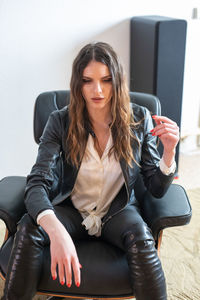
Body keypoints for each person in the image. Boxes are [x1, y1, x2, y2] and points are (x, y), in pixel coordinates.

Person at [1, 41, 179, 300]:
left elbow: (156, 187)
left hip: (117, 211)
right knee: (30, 226)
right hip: (70, 209)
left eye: (106, 80)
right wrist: (56, 229)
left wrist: (170, 152)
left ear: (117, 81)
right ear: (78, 83)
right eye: (88, 80)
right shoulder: (60, 121)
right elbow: (38, 182)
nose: (97, 90)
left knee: (141, 236)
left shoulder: (139, 119)